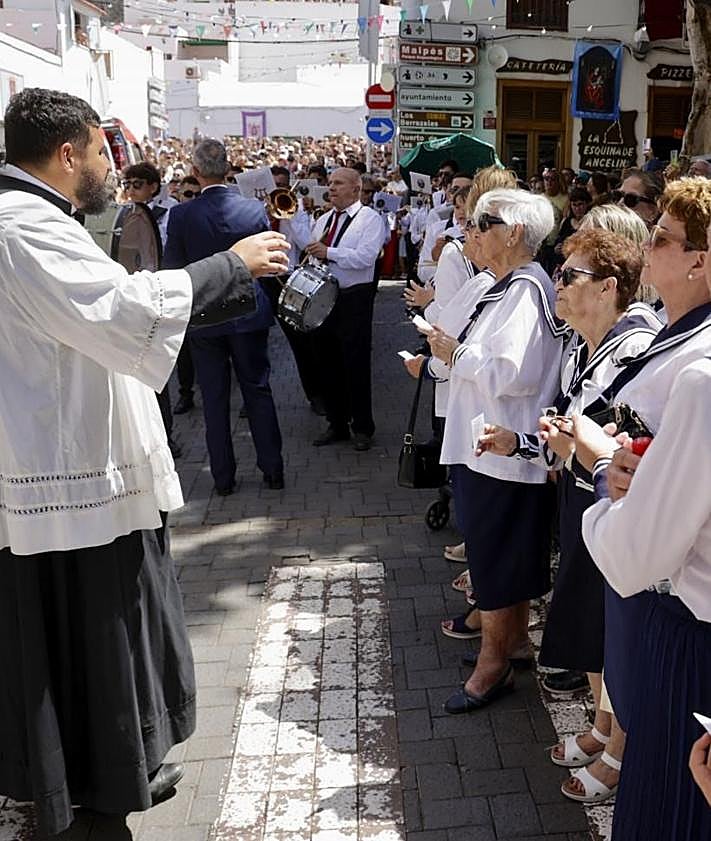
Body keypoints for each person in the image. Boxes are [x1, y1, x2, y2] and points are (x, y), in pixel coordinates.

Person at [0, 87, 289, 837]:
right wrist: (230, 264)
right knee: (94, 644)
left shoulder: (34, 218)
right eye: (103, 152)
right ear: (69, 152)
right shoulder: (21, 224)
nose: (111, 167)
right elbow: (126, 311)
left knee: (123, 629)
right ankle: (92, 785)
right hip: (65, 481)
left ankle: (122, 761)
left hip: (79, 465)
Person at [566, 177, 711, 838]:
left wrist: (600, 465)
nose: (644, 246)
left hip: (691, 638)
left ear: (699, 261)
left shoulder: (702, 379)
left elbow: (633, 554)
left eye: (659, 237)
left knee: (665, 814)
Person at [406, 188, 566, 705]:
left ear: (514, 232)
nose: (471, 230)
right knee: (503, 559)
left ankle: (491, 666)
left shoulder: (525, 289)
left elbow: (512, 375)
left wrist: (455, 352)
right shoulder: (505, 284)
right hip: (488, 449)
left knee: (496, 562)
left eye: (483, 222)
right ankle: (511, 644)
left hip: (502, 452)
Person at [164, 139, 285, 493]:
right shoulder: (253, 210)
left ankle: (223, 479)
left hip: (204, 315)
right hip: (248, 309)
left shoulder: (182, 214)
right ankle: (273, 471)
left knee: (214, 400)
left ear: (196, 172)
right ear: (229, 169)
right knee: (257, 390)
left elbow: (173, 267)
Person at [306, 167, 386, 451]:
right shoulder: (324, 220)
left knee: (355, 363)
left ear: (356, 187)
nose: (332, 188)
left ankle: (363, 427)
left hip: (354, 297)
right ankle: (336, 423)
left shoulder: (370, 219)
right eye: (330, 183)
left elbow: (366, 258)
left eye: (339, 183)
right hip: (324, 297)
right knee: (326, 362)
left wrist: (329, 253)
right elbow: (313, 252)